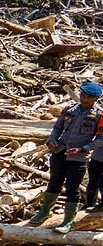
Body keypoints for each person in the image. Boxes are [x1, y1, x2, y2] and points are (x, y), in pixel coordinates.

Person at [30, 82, 103, 232]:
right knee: (54, 182)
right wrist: (51, 140)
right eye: (82, 95)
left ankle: (68, 221)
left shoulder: (99, 116)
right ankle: (45, 211)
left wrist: (84, 148)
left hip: (78, 157)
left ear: (96, 99)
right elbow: (57, 127)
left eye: (88, 97)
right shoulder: (70, 110)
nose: (84, 99)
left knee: (72, 188)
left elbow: (101, 138)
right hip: (60, 151)